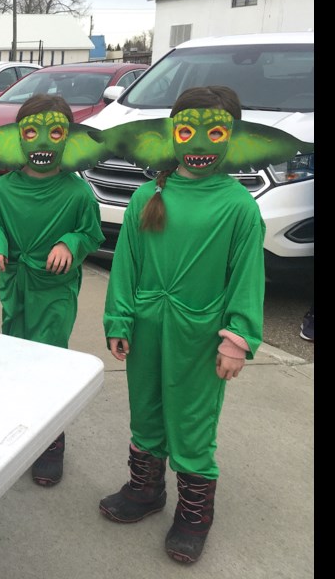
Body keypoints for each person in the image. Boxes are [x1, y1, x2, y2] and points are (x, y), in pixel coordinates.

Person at [98, 86, 279, 565]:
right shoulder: (145, 197)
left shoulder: (239, 206)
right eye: (187, 131)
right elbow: (126, 266)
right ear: (172, 135)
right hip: (145, 326)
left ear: (232, 138)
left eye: (214, 132)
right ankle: (145, 489)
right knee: (147, 406)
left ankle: (195, 513)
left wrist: (237, 339)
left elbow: (246, 278)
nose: (199, 144)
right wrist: (119, 317)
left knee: (193, 417)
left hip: (199, 337)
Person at [0, 94, 103, 487]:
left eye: (55, 132)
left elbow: (90, 233)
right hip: (15, 285)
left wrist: (70, 242)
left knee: (48, 360)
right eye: (32, 132)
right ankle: (19, 430)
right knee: (14, 354)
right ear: (19, 138)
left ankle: (51, 440)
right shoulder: (5, 189)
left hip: (54, 291)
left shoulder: (77, 193)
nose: (44, 142)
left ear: (68, 138)